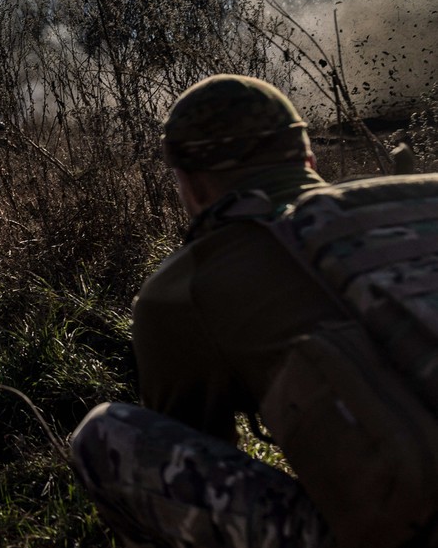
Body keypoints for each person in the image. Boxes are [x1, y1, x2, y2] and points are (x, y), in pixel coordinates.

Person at [70, 74, 419, 547]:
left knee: (103, 438)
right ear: (308, 158)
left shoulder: (182, 287)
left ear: (191, 184)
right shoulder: (422, 200)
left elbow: (196, 452)